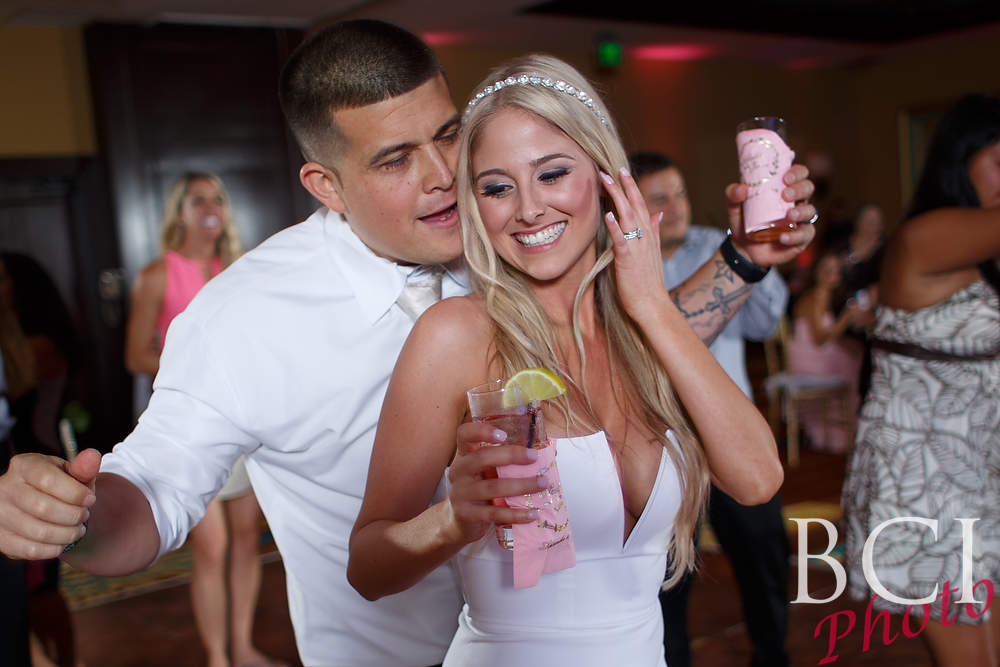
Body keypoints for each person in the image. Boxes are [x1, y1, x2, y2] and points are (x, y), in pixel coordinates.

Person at [0, 20, 817, 667]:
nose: (440, 176)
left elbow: (625, 362)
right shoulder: (242, 317)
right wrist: (68, 517)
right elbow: (155, 489)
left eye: (449, 135)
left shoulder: (512, 235)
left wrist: (743, 259)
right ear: (326, 184)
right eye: (395, 159)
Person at [347, 54, 792, 666]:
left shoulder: (642, 329)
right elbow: (368, 568)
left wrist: (652, 304)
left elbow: (758, 479)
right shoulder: (456, 336)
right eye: (497, 188)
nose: (528, 209)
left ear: (607, 177)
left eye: (552, 174)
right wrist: (452, 520)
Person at [841, 93, 1000, 667]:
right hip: (926, 477)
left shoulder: (980, 250)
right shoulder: (927, 235)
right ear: (960, 160)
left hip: (973, 469)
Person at [628, 151, 791, 667]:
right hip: (663, 446)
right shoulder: (621, 261)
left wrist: (751, 259)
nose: (676, 207)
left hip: (730, 438)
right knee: (666, 582)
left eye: (680, 194)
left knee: (764, 558)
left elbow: (766, 323)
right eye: (660, 198)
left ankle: (773, 656)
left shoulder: (720, 246)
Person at [124, 172, 282, 667]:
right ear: (180, 213)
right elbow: (135, 354)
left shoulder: (238, 269)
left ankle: (243, 648)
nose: (211, 208)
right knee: (212, 546)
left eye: (218, 199)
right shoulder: (157, 275)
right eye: (198, 201)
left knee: (246, 539)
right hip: (193, 424)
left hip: (244, 417)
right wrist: (198, 364)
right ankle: (217, 657)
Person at [786, 252, 870, 453]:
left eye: (835, 271)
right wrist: (846, 319)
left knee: (855, 354)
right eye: (827, 270)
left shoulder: (823, 296)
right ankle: (849, 432)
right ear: (817, 272)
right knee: (853, 363)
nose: (831, 276)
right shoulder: (816, 296)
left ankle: (846, 429)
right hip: (809, 359)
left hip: (815, 354)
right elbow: (819, 338)